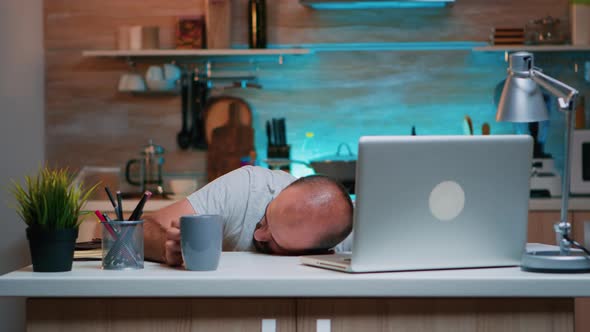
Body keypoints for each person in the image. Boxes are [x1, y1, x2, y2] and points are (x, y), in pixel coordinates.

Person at [144, 166, 354, 266]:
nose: (260, 235)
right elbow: (144, 227)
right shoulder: (248, 188)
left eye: (276, 242)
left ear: (324, 253)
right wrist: (166, 247)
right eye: (267, 217)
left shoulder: (347, 249)